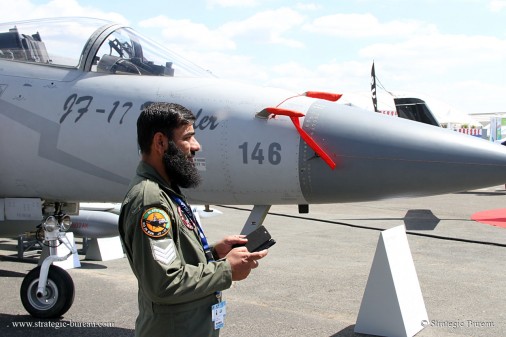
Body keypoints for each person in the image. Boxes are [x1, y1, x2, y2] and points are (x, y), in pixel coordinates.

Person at [118, 102, 268, 337]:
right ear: (160, 142)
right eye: (188, 138)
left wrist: (214, 254)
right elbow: (163, 284)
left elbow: (173, 260)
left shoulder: (165, 191)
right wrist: (226, 269)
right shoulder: (151, 201)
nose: (196, 146)